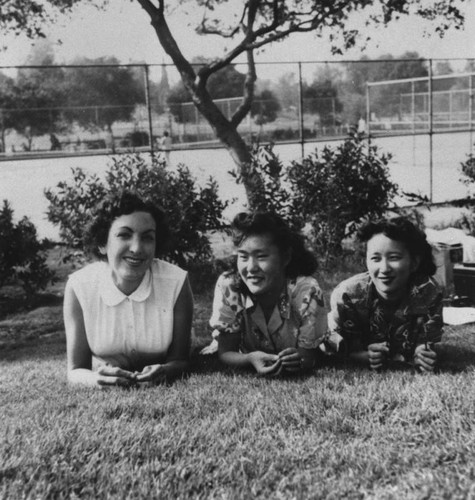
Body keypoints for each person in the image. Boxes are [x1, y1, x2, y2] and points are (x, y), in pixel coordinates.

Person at [63, 191, 193, 388]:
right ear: (101, 243)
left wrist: (167, 370)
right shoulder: (79, 286)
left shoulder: (176, 281)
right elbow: (75, 369)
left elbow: (180, 360)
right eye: (124, 235)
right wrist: (95, 380)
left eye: (148, 238)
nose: (137, 248)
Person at [209, 211, 328, 376]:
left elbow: (308, 357)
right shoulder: (229, 286)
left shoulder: (307, 292)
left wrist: (297, 359)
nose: (250, 268)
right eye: (243, 257)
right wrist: (249, 358)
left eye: (261, 256)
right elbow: (226, 352)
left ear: (285, 258)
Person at [328, 216, 443, 372]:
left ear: (414, 263)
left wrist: (422, 353)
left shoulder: (429, 292)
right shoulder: (347, 295)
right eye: (375, 258)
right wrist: (360, 355)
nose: (384, 268)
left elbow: (426, 342)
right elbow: (329, 344)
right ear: (366, 262)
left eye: (394, 258)